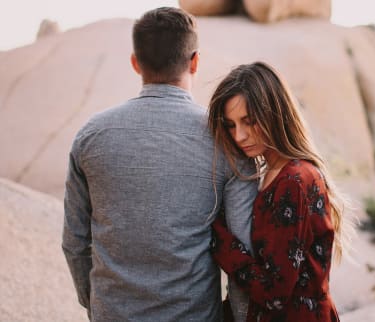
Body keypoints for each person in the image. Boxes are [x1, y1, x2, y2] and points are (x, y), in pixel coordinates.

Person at [62, 7, 257, 322]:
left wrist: (95, 305)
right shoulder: (227, 141)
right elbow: (243, 251)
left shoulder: (91, 135)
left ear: (135, 63)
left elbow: (74, 241)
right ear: (195, 61)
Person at [208, 62, 351, 322]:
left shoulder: (293, 181)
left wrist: (219, 240)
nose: (239, 136)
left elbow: (274, 292)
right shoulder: (274, 172)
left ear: (273, 114)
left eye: (249, 122)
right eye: (230, 125)